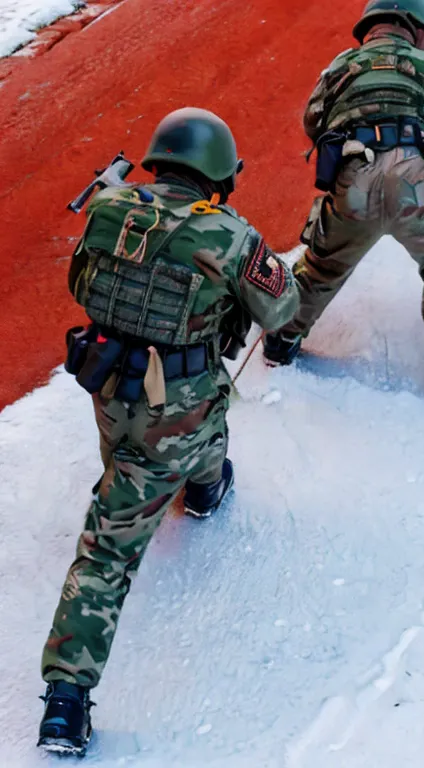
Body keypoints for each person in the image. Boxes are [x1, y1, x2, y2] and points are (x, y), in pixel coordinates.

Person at [38, 107, 299, 756]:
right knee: (109, 550)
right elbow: (283, 305)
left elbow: (80, 282)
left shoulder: (109, 208)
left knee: (145, 451)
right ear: (217, 175)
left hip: (107, 383)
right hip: (177, 404)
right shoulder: (229, 234)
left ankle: (202, 488)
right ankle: (66, 703)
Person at [263, 0, 424, 411]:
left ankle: (282, 339)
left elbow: (313, 122)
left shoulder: (339, 67)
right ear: (415, 28)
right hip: (418, 185)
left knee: (323, 265)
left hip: (353, 182)